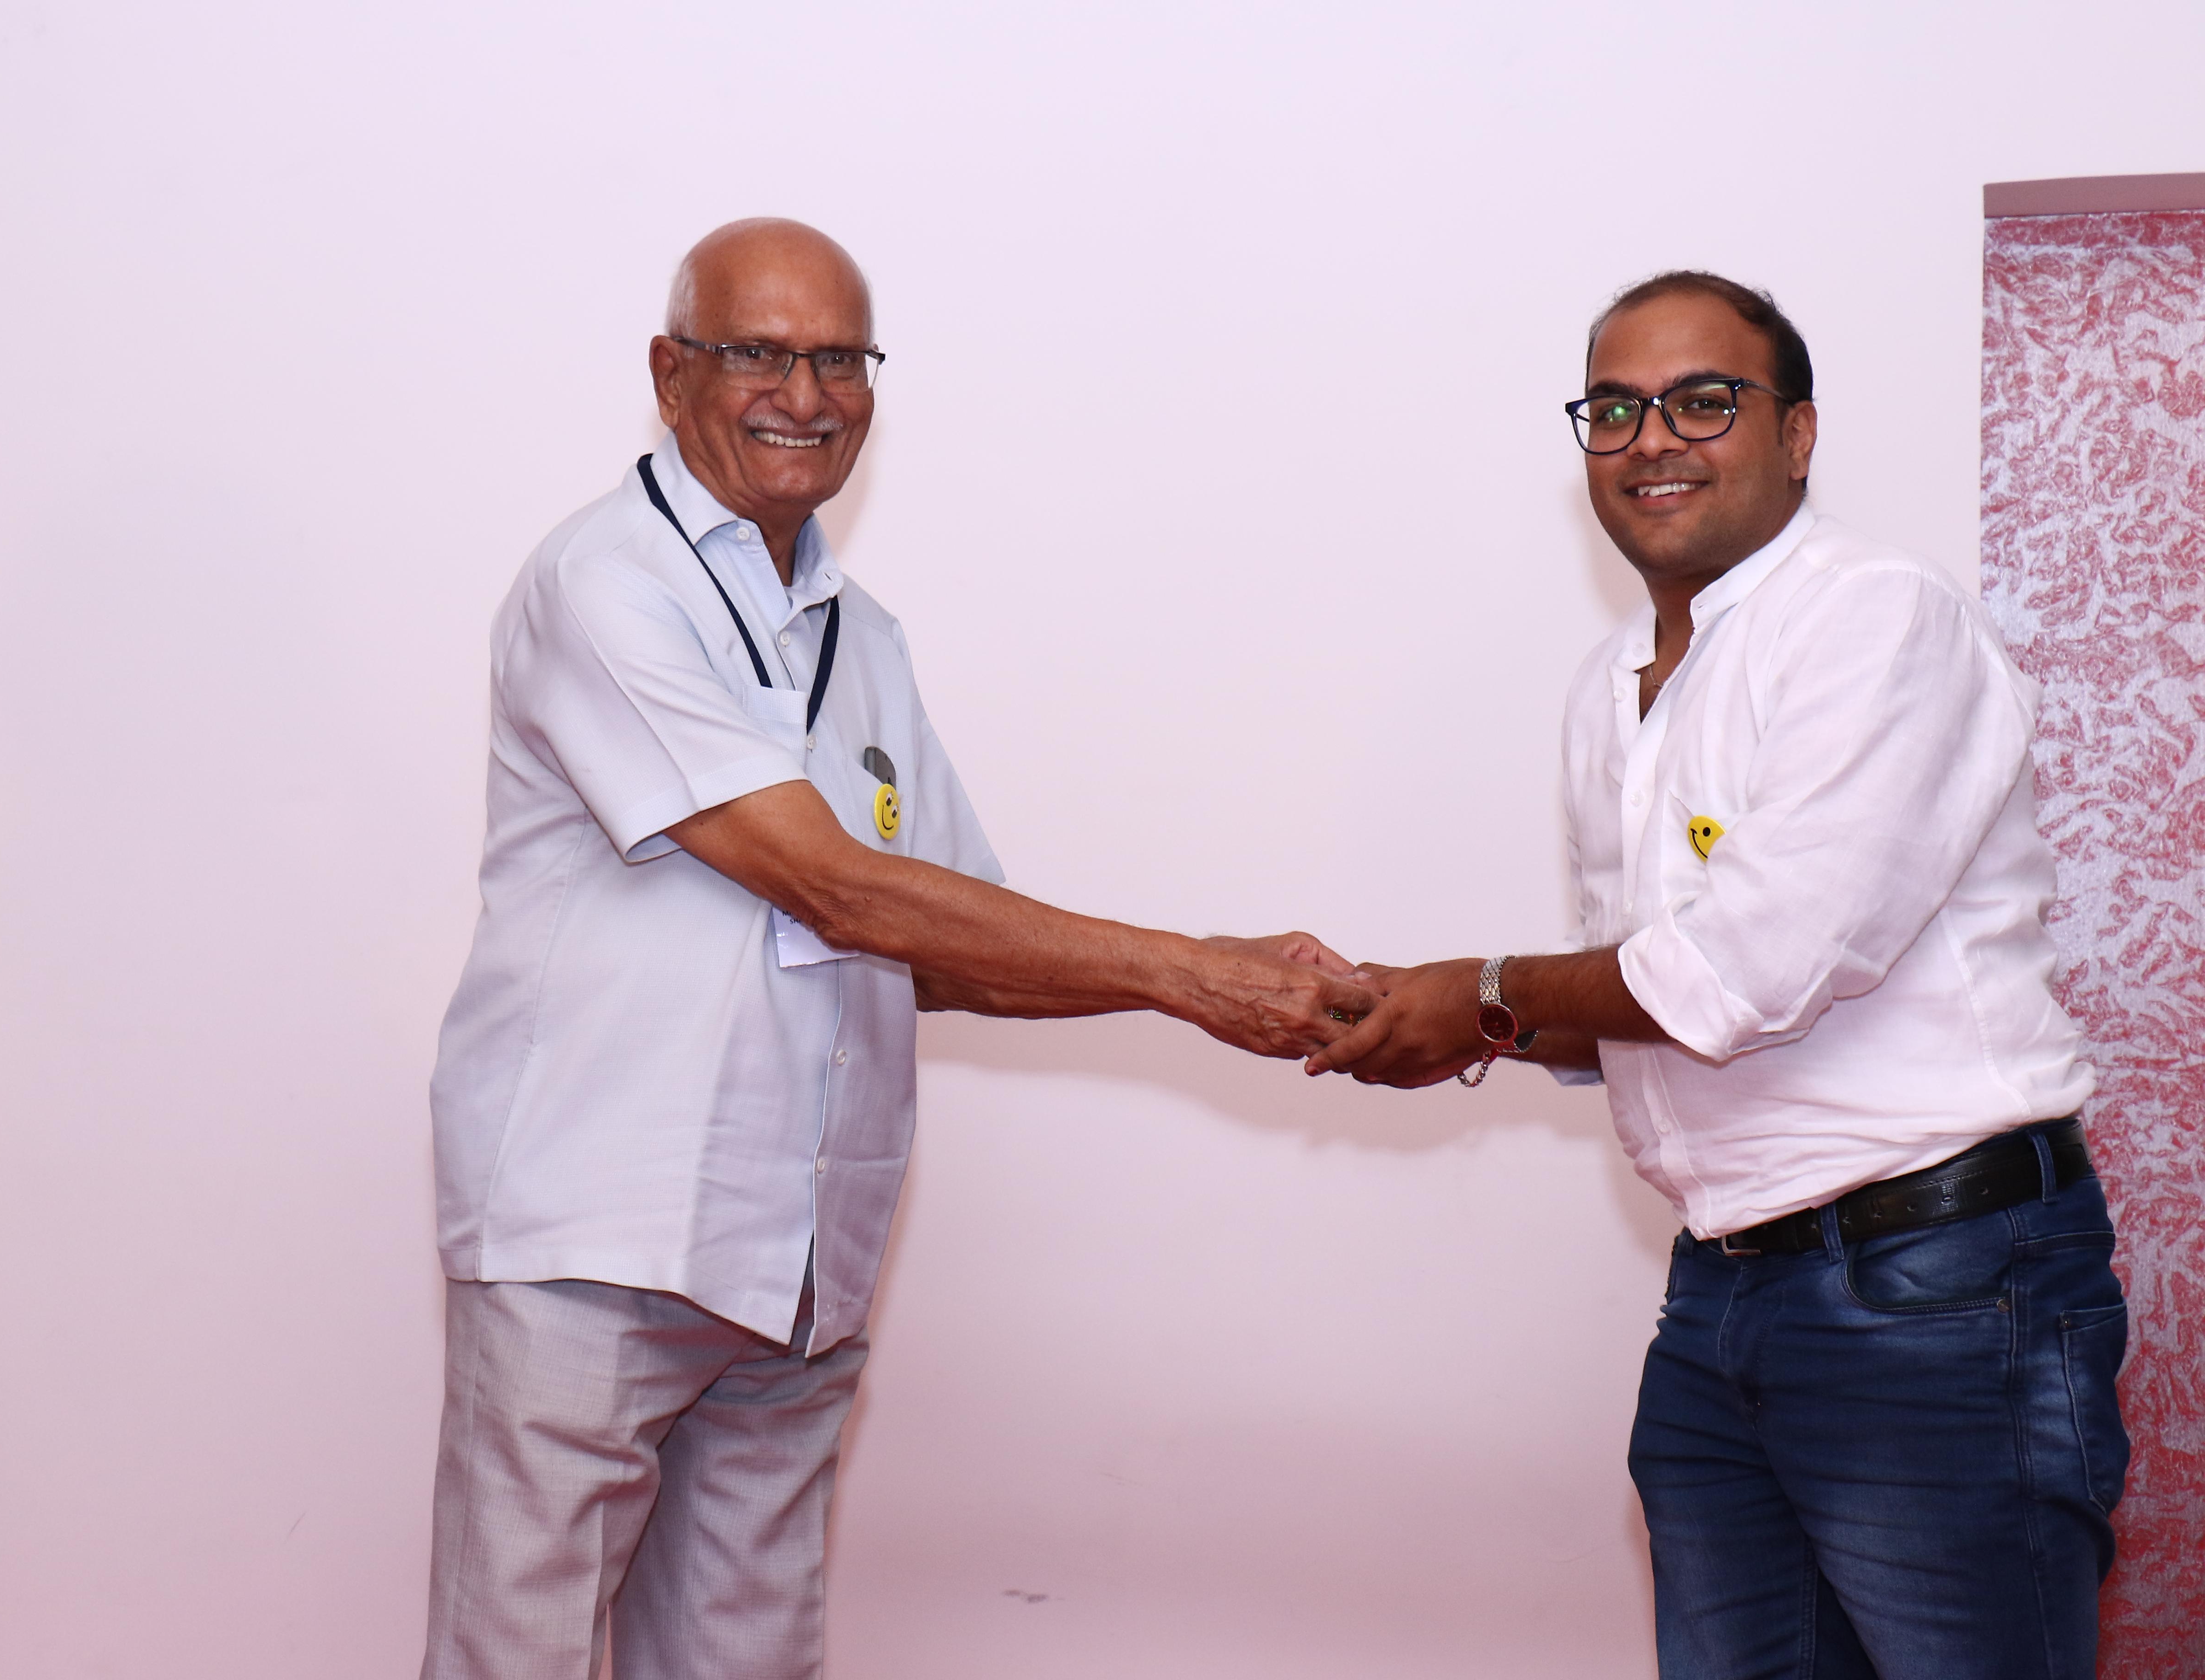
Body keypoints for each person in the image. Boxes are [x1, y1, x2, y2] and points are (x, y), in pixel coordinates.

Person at [420, 217, 1375, 1680]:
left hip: (800, 1262)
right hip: (600, 1239)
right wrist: (1187, 973)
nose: (805, 395)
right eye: (759, 354)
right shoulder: (604, 584)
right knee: (518, 1659)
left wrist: (1219, 961)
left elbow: (953, 939)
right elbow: (838, 890)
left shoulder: (859, 635)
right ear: (671, 374)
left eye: (841, 360)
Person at [1309, 272, 2129, 1678]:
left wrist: (1485, 994)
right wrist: (1426, 1016)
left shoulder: (1875, 621)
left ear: (1796, 435)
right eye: (1614, 410)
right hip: (1722, 1293)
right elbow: (1642, 1005)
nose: (1651, 440)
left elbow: (1747, 973)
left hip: (1937, 1292)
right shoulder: (1609, 686)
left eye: (1703, 401)